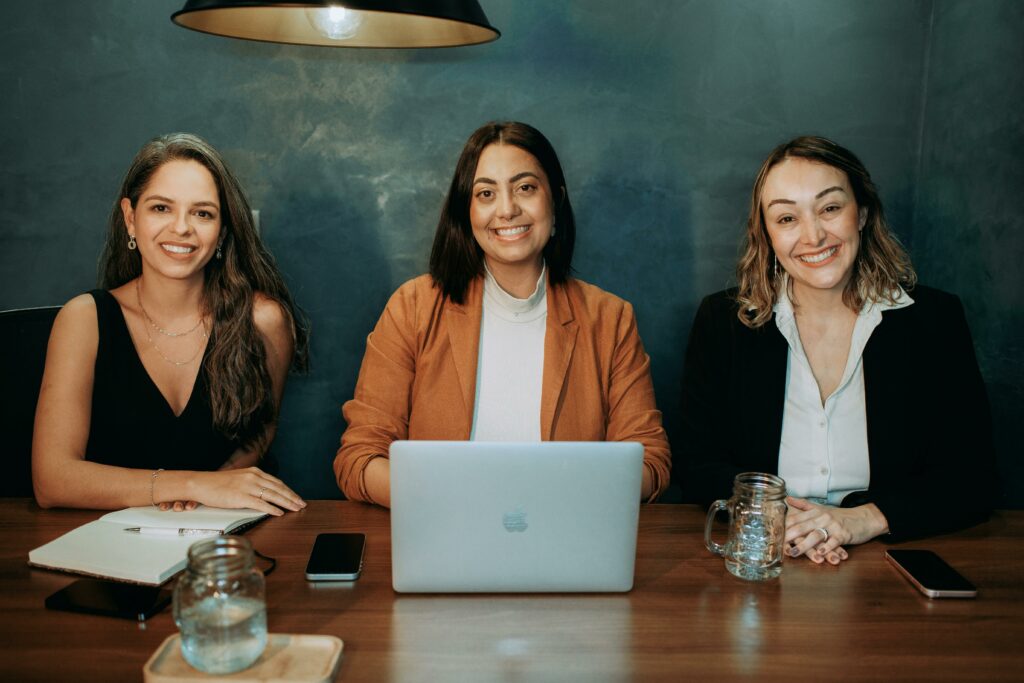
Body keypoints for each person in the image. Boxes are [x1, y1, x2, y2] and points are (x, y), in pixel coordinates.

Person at [678, 135, 995, 564]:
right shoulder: (722, 320)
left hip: (887, 558)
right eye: (787, 218)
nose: (813, 235)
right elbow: (696, 461)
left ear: (861, 213)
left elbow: (973, 477)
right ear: (767, 234)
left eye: (830, 208)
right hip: (762, 555)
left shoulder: (934, 320)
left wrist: (862, 520)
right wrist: (776, 515)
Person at [335, 121, 670, 507]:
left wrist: (564, 496)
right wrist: (451, 500)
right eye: (486, 193)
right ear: (467, 212)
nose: (507, 209)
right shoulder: (412, 308)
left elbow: (651, 462)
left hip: (562, 538)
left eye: (525, 187)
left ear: (555, 201)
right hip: (445, 533)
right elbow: (358, 458)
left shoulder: (610, 320)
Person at [32, 133, 309, 515]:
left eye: (203, 213)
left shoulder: (263, 320)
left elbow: (261, 431)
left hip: (227, 535)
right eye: (161, 208)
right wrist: (194, 484)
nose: (181, 228)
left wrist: (206, 499)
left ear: (223, 232)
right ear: (130, 218)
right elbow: (52, 479)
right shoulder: (84, 319)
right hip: (108, 541)